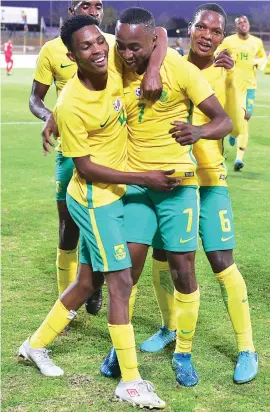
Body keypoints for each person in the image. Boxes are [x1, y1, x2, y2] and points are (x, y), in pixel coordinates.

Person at [18, 15, 180, 408]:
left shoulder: (114, 64)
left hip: (112, 193)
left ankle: (33, 346)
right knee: (121, 281)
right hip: (94, 198)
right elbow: (86, 168)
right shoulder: (72, 103)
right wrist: (145, 177)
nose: (98, 49)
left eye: (99, 41)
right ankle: (130, 380)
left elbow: (157, 37)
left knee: (89, 281)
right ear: (71, 56)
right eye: (86, 46)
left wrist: (154, 69)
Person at [100, 7, 232, 388]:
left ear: (153, 42)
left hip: (178, 187)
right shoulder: (117, 65)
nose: (127, 55)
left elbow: (224, 120)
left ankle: (184, 353)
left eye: (135, 49)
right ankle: (119, 347)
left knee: (183, 271)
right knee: (127, 272)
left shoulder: (180, 69)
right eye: (121, 47)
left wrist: (198, 131)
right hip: (139, 186)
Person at [140, 3, 258, 386]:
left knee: (223, 263)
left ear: (222, 37)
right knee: (163, 260)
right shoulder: (172, 64)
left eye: (216, 31)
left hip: (210, 181)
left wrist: (228, 80)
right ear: (190, 29)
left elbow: (235, 125)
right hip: (172, 183)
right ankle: (169, 327)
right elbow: (154, 36)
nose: (208, 35)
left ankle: (246, 348)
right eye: (202, 28)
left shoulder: (225, 72)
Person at [29, 0, 168, 317]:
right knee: (69, 227)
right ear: (71, 10)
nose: (94, 10)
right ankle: (69, 301)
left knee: (108, 224)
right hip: (73, 150)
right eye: (85, 5)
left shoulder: (109, 44)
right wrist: (52, 115)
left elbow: (156, 33)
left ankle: (91, 285)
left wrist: (156, 70)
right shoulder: (53, 50)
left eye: (98, 4)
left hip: (113, 149)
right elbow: (35, 98)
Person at [218, 15, 267, 171]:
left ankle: (239, 159)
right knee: (230, 119)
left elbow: (262, 57)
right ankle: (232, 135)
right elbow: (218, 54)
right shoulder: (229, 41)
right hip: (232, 87)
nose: (243, 24)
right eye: (239, 23)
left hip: (250, 87)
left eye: (245, 21)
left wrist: (258, 62)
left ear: (248, 24)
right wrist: (226, 58)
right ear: (236, 27)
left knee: (245, 118)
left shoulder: (256, 42)